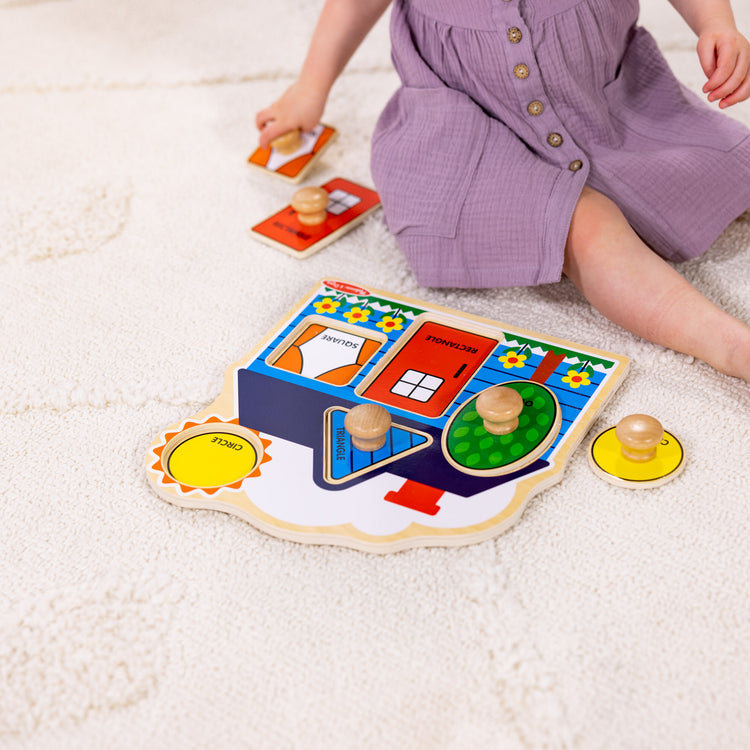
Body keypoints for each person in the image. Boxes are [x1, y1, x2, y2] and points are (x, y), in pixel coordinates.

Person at [256, 0, 750, 381]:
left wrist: (716, 23)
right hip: (464, 137)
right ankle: (727, 344)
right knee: (590, 228)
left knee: (728, 166)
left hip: (607, 107)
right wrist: (310, 88)